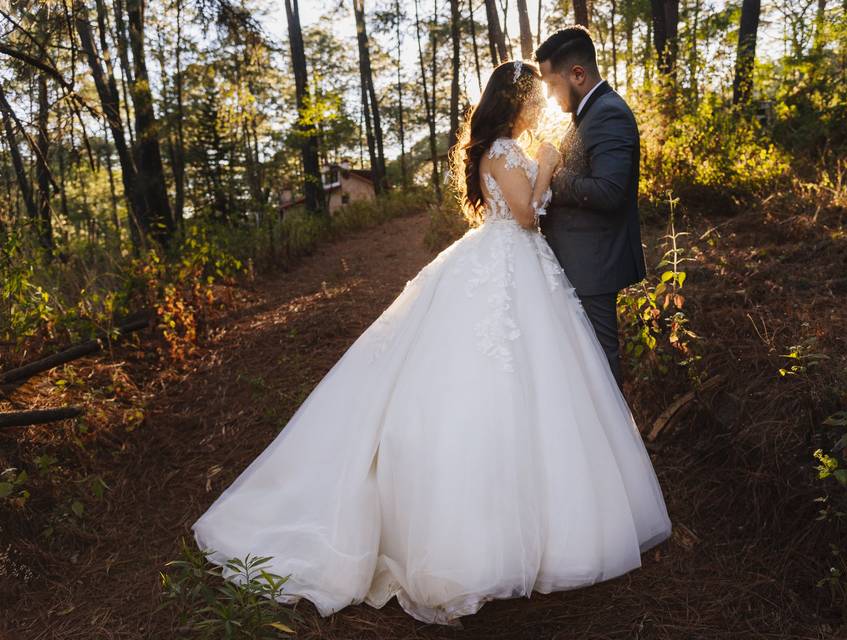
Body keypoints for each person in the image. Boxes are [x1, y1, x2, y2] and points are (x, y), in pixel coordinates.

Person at [191, 56, 671, 627]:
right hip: (509, 260)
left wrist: (540, 166)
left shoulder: (496, 149)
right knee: (499, 378)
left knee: (539, 379)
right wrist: (544, 166)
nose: (538, 108)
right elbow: (522, 214)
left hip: (516, 267)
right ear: (513, 104)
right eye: (531, 101)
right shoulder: (502, 150)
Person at [535, 26, 648, 389]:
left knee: (600, 366)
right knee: (586, 364)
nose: (551, 97)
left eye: (552, 85)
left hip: (594, 266)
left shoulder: (609, 113)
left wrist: (551, 174)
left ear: (577, 74)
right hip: (582, 262)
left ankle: (616, 446)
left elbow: (609, 191)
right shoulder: (591, 112)